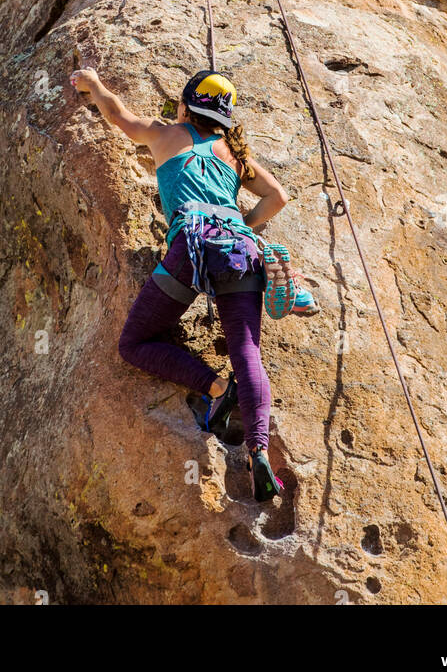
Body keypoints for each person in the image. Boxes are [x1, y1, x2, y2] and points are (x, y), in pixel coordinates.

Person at [69, 65, 317, 502]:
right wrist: (245, 224)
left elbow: (117, 116)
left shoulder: (166, 134)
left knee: (135, 342)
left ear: (185, 106)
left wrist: (94, 84)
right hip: (240, 248)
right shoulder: (234, 155)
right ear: (223, 120)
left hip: (193, 244)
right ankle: (259, 452)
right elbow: (277, 196)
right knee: (247, 351)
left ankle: (218, 390)